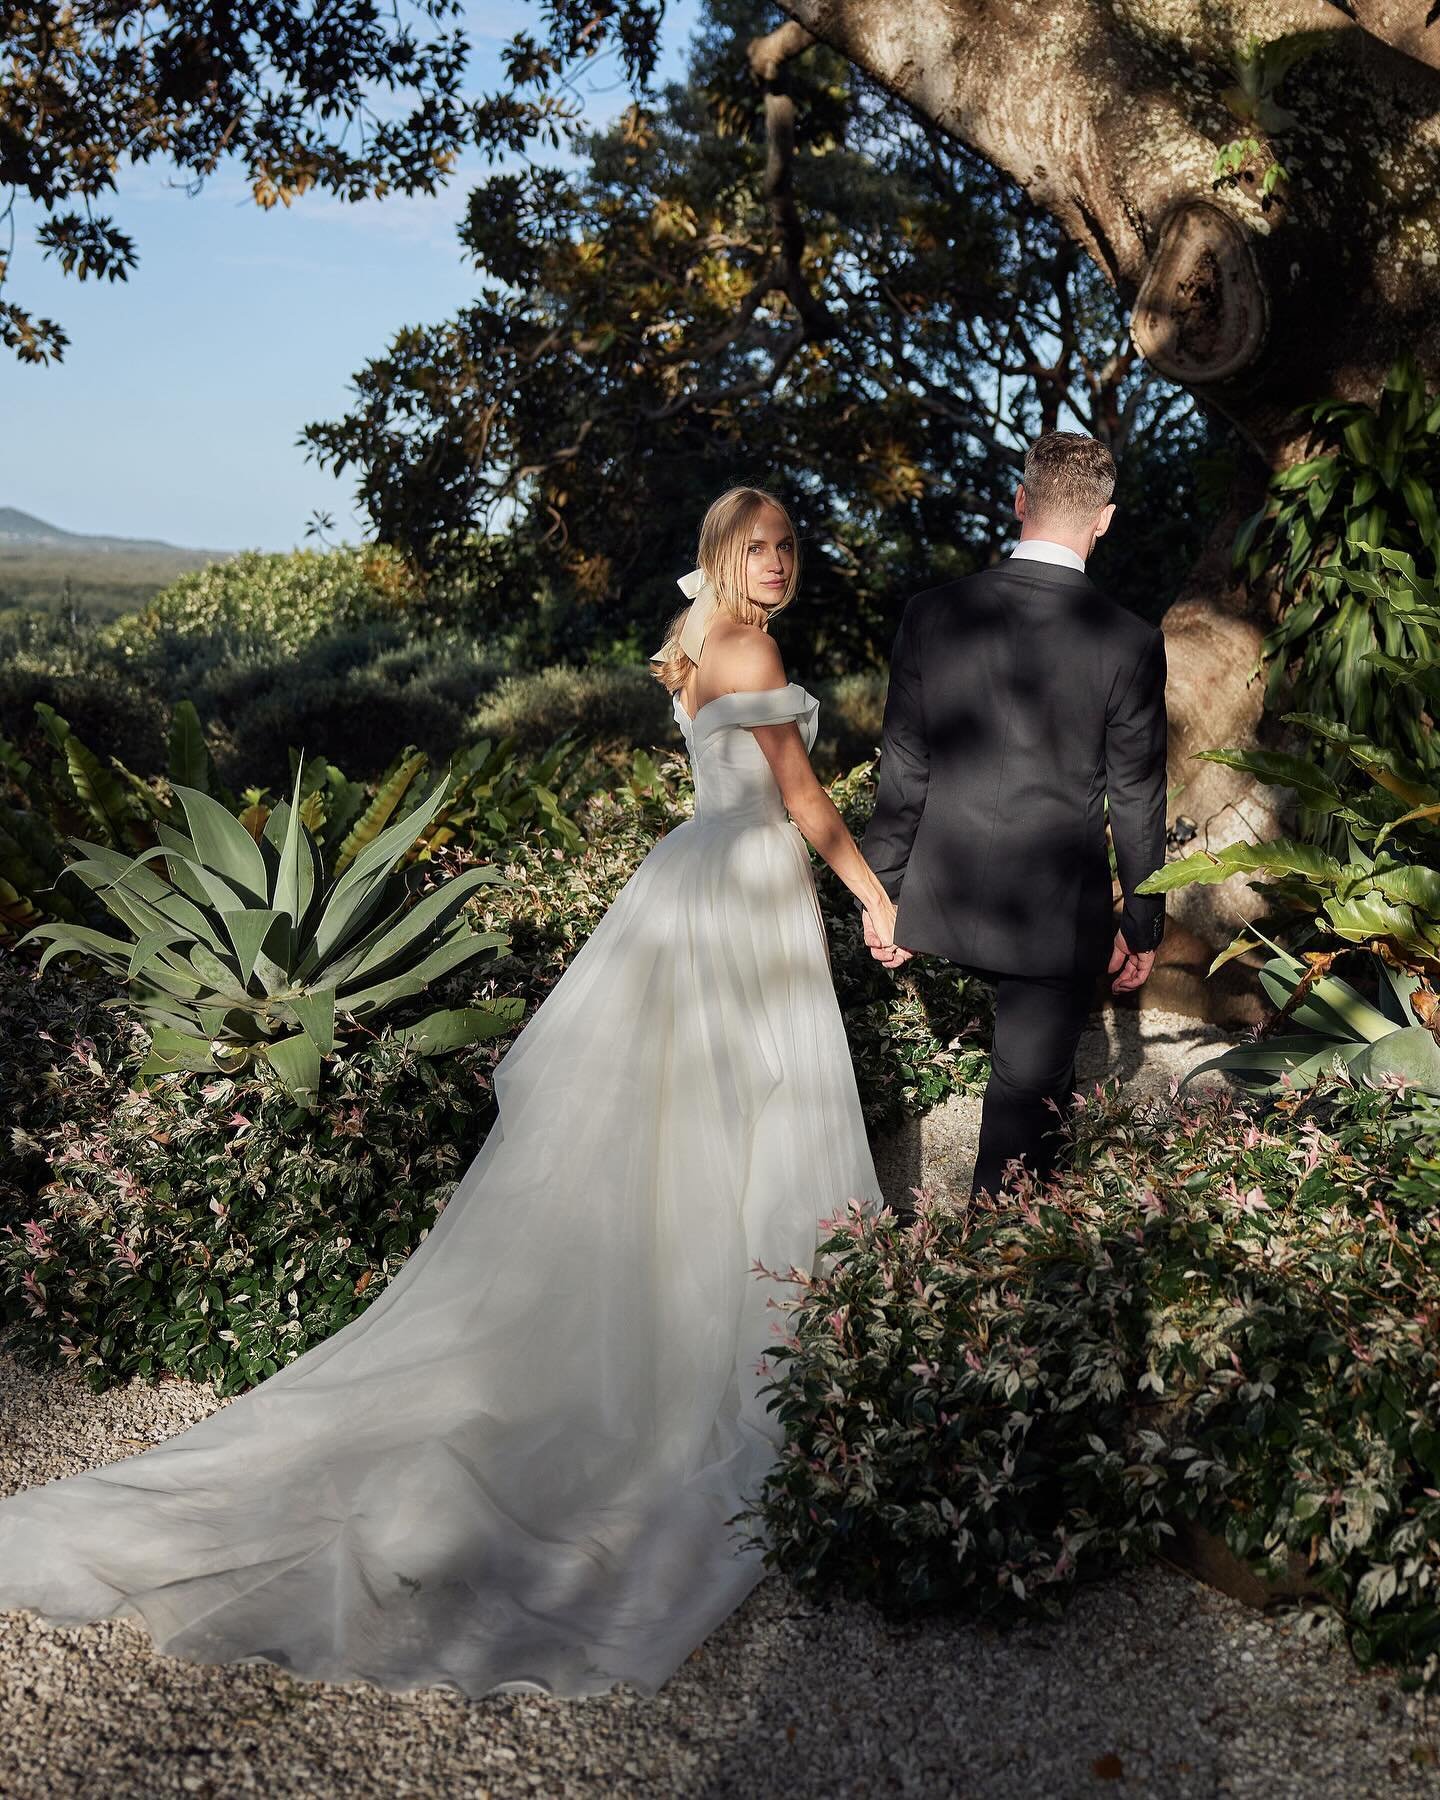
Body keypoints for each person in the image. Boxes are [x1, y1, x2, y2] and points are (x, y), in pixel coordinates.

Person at [0, 485, 894, 1700]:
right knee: (751, 1109)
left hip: (686, 883)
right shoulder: (749, 642)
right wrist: (874, 897)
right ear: (722, 555)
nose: (780, 563)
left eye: (789, 544)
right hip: (741, 891)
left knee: (685, 1119)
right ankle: (735, 1344)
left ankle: (689, 1312)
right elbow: (801, 800)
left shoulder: (688, 644)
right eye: (759, 547)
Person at [861, 430, 1169, 1197]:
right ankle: (1003, 1273)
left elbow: (903, 767)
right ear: (1104, 520)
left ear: (1019, 501)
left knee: (1037, 1097)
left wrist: (881, 893)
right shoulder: (1130, 641)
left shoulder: (931, 613)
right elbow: (1135, 794)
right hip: (1050, 917)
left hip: (941, 895)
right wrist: (1142, 920)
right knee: (1025, 1108)